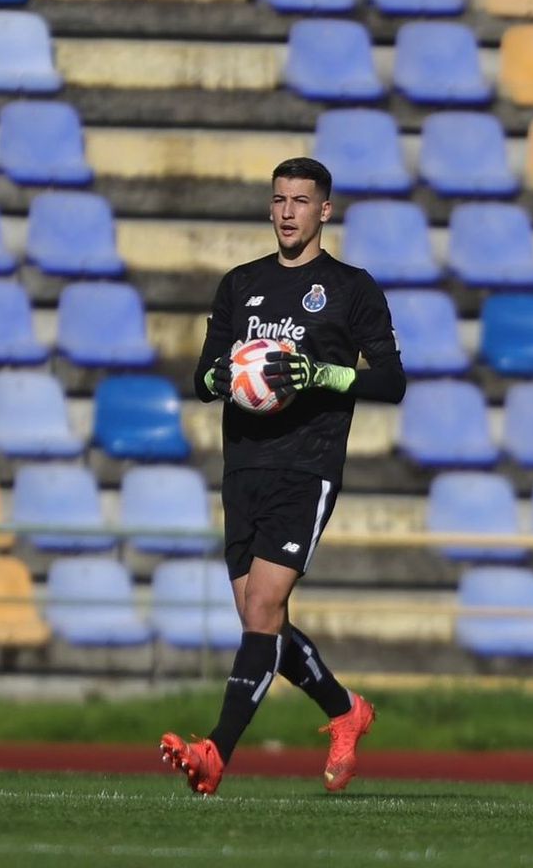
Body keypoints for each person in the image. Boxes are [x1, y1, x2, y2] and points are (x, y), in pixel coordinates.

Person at [160, 156, 406, 796]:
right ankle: (346, 711)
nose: (287, 212)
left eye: (300, 201)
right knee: (258, 620)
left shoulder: (352, 288)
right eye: (279, 200)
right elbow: (204, 376)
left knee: (264, 607)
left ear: (325, 209)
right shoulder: (240, 284)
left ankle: (215, 752)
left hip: (307, 463)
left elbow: (392, 380)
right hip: (244, 465)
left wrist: (324, 375)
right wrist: (227, 376)